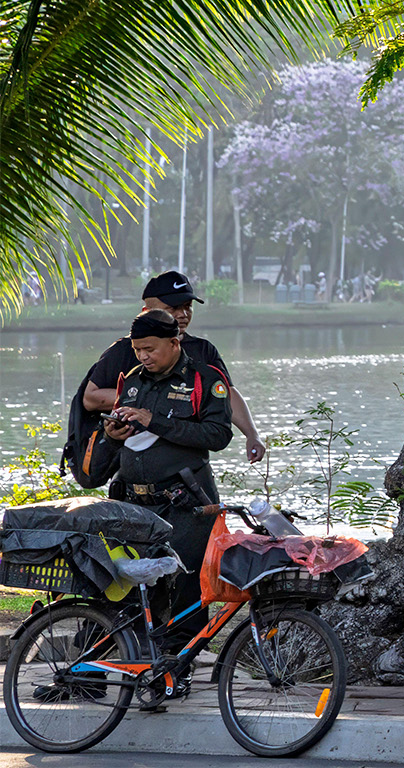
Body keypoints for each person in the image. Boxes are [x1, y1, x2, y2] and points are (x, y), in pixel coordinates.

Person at [70, 309, 233, 651]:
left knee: (185, 589)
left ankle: (175, 671)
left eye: (150, 349)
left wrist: (154, 420)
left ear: (174, 343)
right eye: (137, 349)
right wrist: (113, 435)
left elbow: (218, 435)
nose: (143, 356)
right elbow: (119, 439)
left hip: (186, 503)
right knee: (118, 583)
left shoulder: (204, 378)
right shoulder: (130, 380)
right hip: (134, 502)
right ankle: (92, 672)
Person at [72, 271, 266, 464]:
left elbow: (227, 394)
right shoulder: (124, 350)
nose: (182, 314)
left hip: (185, 463)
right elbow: (91, 398)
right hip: (132, 462)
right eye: (172, 308)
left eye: (187, 307)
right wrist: (143, 403)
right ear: (146, 311)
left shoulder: (203, 350)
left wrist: (252, 435)